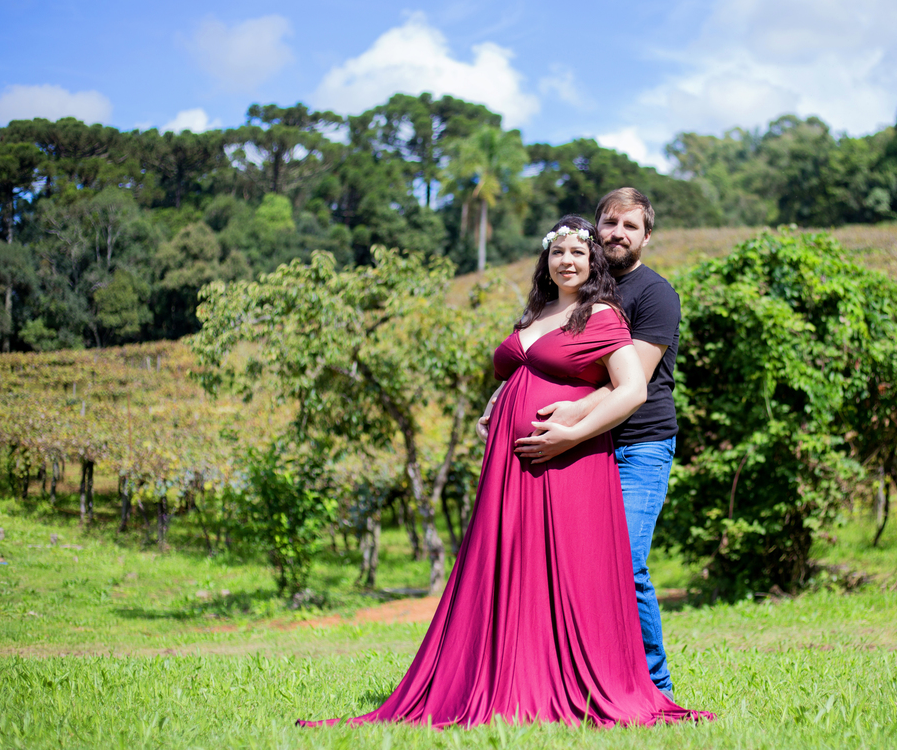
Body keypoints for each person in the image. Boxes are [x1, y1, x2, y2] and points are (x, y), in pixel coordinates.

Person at [298, 215, 711, 729]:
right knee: (515, 565)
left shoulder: (601, 314)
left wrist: (570, 433)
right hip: (510, 466)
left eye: (578, 254)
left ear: (593, 262)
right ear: (546, 260)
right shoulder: (537, 311)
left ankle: (591, 681)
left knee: (571, 571)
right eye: (558, 252)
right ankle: (509, 674)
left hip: (568, 460)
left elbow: (631, 389)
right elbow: (529, 367)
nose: (567, 261)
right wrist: (500, 399)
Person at [482, 187, 681, 697]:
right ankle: (577, 672)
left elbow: (628, 382)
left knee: (627, 563)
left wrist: (570, 417)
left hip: (635, 445)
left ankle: (653, 685)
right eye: (610, 223)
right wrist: (502, 400)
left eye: (630, 226)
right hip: (582, 451)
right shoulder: (568, 293)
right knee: (574, 567)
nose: (618, 233)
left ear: (646, 236)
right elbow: (542, 359)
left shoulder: (652, 295)